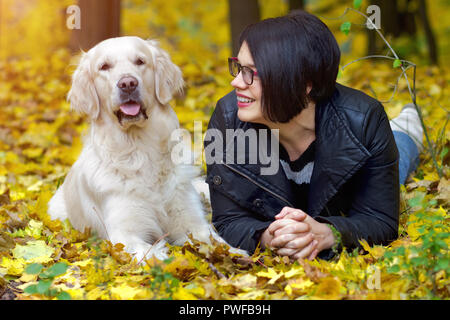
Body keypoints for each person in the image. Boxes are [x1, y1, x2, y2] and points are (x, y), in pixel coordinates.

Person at [203, 11, 424, 261]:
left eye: (251, 72)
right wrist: (269, 237)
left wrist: (328, 233)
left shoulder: (364, 121)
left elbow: (380, 219)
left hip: (363, 162)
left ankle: (408, 128)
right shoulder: (228, 118)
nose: (236, 82)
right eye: (238, 68)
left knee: (401, 157)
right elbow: (228, 219)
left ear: (302, 84)